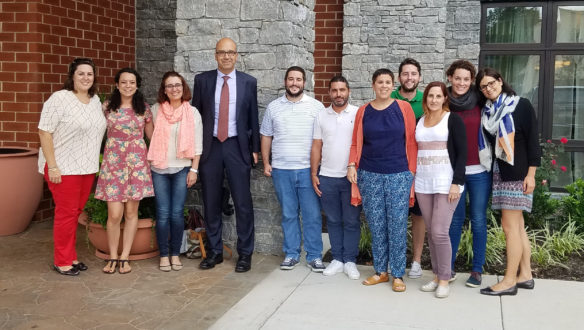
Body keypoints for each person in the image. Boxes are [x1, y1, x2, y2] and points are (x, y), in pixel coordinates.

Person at [192, 38, 260, 273]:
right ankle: (214, 252)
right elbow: (196, 117)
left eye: (231, 52)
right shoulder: (202, 80)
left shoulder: (248, 82)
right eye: (222, 52)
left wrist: (255, 149)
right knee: (210, 202)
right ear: (215, 55)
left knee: (243, 202)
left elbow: (253, 118)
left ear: (237, 55)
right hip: (210, 147)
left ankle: (245, 254)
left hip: (236, 147)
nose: (227, 56)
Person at [347, 68, 417, 292]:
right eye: (380, 82)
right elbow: (356, 142)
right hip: (369, 174)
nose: (384, 86)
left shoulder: (403, 108)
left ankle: (398, 274)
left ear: (393, 85)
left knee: (396, 226)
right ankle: (381, 271)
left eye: (388, 82)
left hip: (398, 174)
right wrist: (351, 165)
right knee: (377, 226)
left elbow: (412, 142)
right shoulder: (363, 111)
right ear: (373, 85)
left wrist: (411, 172)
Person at [38, 58, 107, 276]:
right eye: (81, 73)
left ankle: (70, 256)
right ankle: (62, 260)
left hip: (86, 168)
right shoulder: (59, 99)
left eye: (90, 74)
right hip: (63, 168)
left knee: (75, 213)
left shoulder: (95, 100)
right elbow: (44, 132)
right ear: (72, 76)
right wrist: (53, 166)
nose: (86, 77)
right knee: (66, 214)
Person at [476, 68, 541, 296]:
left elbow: (533, 142)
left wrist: (531, 174)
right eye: (483, 86)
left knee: (509, 227)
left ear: (501, 81)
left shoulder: (519, 105)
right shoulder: (488, 112)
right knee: (518, 226)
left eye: (491, 83)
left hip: (518, 175)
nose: (488, 88)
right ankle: (526, 275)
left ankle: (509, 281)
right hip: (501, 173)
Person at [261, 66, 326, 272]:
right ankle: (291, 254)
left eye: (298, 79)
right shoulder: (273, 107)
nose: (294, 83)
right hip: (281, 169)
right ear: (285, 81)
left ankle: (314, 256)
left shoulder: (316, 107)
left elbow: (323, 138)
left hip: (308, 170)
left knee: (312, 215)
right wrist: (266, 162)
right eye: (291, 79)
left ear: (304, 83)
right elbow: (266, 136)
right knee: (288, 214)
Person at [95, 68, 154, 274]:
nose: (128, 85)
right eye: (124, 82)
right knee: (114, 214)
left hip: (136, 164)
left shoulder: (144, 109)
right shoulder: (106, 108)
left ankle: (124, 257)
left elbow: (152, 139)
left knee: (131, 212)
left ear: (137, 85)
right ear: (117, 85)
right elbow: (95, 134)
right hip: (113, 164)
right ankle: (112, 255)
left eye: (132, 82)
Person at [415, 82, 467, 298]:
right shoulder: (421, 121)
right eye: (430, 96)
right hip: (423, 182)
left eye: (438, 96)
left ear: (445, 98)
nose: (434, 99)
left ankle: (444, 278)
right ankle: (436, 275)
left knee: (439, 231)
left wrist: (457, 181)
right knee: (430, 231)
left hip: (447, 183)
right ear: (426, 98)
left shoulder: (452, 119)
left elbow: (462, 153)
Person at [148, 71, 202, 272]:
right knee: (162, 214)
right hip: (159, 168)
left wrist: (194, 170)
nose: (174, 89)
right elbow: (149, 136)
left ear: (183, 87)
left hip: (182, 169)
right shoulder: (155, 110)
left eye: (177, 84)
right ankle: (163, 255)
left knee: (177, 214)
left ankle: (175, 254)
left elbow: (197, 145)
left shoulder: (192, 112)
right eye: (169, 85)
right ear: (164, 89)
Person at [310, 76, 361, 280]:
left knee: (351, 220)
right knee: (332, 219)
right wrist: (314, 173)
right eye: (334, 90)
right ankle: (337, 258)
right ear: (329, 93)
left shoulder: (358, 114)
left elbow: (362, 144)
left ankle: (350, 260)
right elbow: (316, 145)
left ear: (348, 91)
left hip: (351, 178)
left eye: (342, 90)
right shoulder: (321, 115)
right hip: (327, 176)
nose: (338, 94)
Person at [446, 59, 489, 287]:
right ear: (450, 78)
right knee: (455, 220)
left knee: (479, 220)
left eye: (466, 79)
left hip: (480, 171)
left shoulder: (480, 101)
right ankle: (449, 267)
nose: (461, 83)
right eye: (457, 78)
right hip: (454, 173)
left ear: (472, 80)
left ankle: (477, 269)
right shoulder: (444, 102)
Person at [390, 58, 425, 279]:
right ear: (399, 77)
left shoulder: (428, 99)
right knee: (396, 216)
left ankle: (416, 261)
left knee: (418, 216)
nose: (409, 78)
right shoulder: (389, 98)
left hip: (421, 167)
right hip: (394, 166)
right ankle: (396, 260)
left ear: (419, 77)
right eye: (405, 74)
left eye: (413, 74)